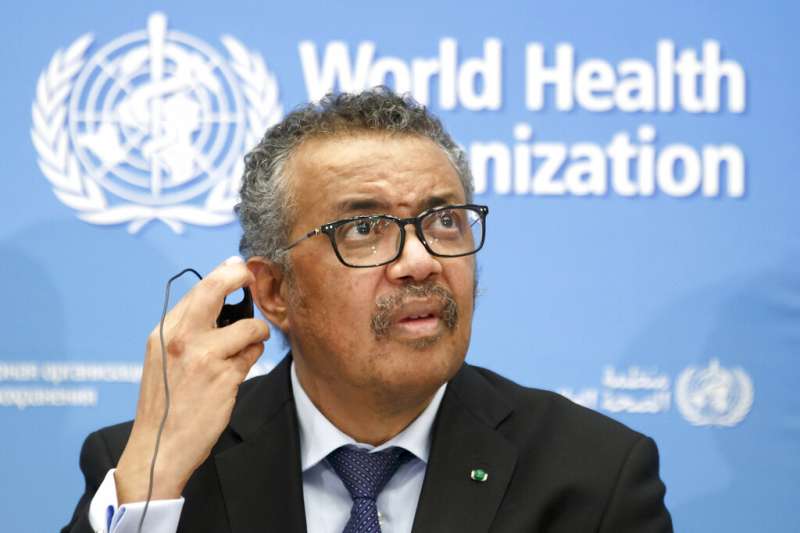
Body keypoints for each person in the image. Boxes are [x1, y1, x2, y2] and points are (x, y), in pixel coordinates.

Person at [62, 88, 673, 533]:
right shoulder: (157, 470)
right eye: (362, 229)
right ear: (273, 292)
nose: (421, 261)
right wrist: (152, 484)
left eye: (445, 220)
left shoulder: (591, 475)